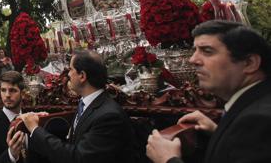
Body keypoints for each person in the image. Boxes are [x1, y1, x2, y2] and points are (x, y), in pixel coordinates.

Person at [146, 21, 271, 163]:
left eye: (207, 51)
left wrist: (168, 159)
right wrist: (218, 132)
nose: (193, 60)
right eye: (195, 50)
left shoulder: (258, 121)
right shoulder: (256, 105)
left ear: (250, 63)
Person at [17, 50, 136, 163]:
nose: (68, 74)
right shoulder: (86, 104)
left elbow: (78, 158)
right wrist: (44, 121)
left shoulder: (109, 116)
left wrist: (35, 130)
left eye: (70, 69)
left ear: (82, 76)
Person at [0, 71, 44, 163]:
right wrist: (11, 154)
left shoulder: (31, 119)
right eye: (3, 90)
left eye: (12, 90)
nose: (7, 95)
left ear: (23, 93)